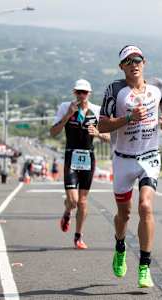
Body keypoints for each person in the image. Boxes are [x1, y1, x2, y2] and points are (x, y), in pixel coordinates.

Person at [98, 45, 162, 288]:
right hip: (123, 159)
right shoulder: (115, 89)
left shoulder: (156, 86)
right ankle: (119, 245)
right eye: (128, 61)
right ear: (122, 67)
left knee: (145, 207)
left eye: (137, 59)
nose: (134, 64)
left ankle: (144, 266)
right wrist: (129, 118)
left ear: (144, 62)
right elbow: (102, 126)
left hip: (149, 156)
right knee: (124, 214)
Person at [50, 79, 110, 249]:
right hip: (71, 157)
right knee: (73, 200)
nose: (81, 95)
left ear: (89, 94)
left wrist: (98, 133)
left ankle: (78, 236)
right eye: (78, 92)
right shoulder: (65, 107)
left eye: (84, 92)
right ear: (74, 92)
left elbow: (110, 138)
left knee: (83, 201)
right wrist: (68, 115)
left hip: (88, 158)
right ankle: (67, 212)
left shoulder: (97, 111)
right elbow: (53, 132)